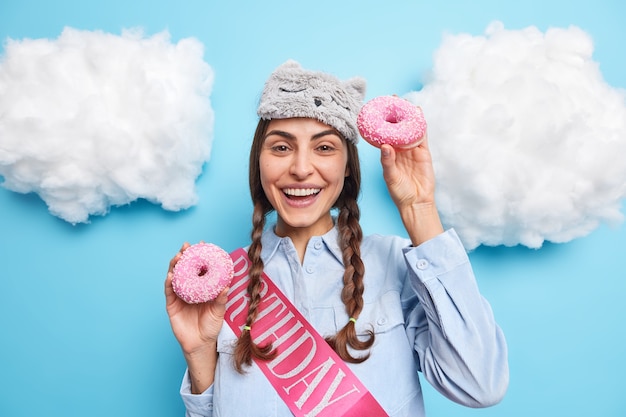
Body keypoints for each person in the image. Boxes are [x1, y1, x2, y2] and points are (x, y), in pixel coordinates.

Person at [165, 60, 509, 417]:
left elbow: (480, 383)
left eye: (324, 148)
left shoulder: (394, 263)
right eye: (281, 148)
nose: (300, 168)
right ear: (259, 161)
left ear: (347, 165)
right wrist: (199, 353)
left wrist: (419, 208)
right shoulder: (226, 284)